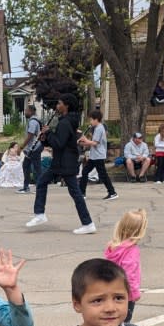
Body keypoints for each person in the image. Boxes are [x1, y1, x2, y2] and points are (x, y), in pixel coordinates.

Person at [26, 93, 96, 235]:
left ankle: (88, 223)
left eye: (59, 103)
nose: (57, 106)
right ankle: (40, 214)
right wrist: (45, 138)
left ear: (66, 106)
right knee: (42, 182)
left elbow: (59, 143)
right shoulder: (66, 120)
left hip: (65, 162)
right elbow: (56, 141)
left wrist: (49, 132)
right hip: (60, 162)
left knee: (75, 193)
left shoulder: (65, 122)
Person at [103, 209, 148, 323]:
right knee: (124, 322)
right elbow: (129, 275)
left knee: (112, 320)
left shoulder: (112, 246)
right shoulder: (131, 250)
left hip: (111, 290)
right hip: (125, 295)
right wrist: (134, 294)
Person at [79, 110, 119, 198]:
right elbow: (93, 143)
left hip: (98, 156)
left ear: (96, 119)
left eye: (91, 120)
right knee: (85, 171)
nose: (90, 122)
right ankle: (82, 193)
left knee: (102, 174)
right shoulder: (98, 128)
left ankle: (112, 192)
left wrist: (85, 140)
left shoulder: (99, 128)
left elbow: (95, 143)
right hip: (95, 156)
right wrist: (83, 143)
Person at [18, 104, 43, 194]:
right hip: (33, 148)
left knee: (37, 168)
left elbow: (30, 135)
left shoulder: (33, 121)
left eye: (26, 111)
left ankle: (39, 188)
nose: (25, 112)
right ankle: (26, 187)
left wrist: (21, 146)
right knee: (26, 166)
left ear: (31, 111)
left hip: (34, 148)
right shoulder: (34, 120)